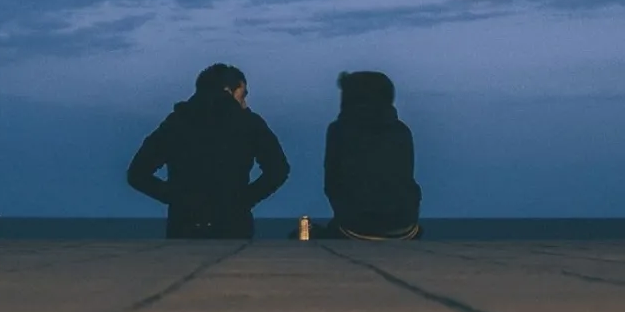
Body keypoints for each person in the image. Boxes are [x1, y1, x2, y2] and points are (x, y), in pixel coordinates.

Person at [126, 63, 291, 239]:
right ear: (228, 90)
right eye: (243, 96)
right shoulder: (248, 122)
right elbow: (279, 170)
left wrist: (178, 198)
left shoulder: (177, 123)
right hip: (233, 226)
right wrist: (243, 200)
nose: (245, 103)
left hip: (184, 226)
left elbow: (137, 173)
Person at [314, 71, 423, 240]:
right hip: (405, 225)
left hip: (357, 226)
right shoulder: (402, 130)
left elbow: (332, 182)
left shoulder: (339, 130)